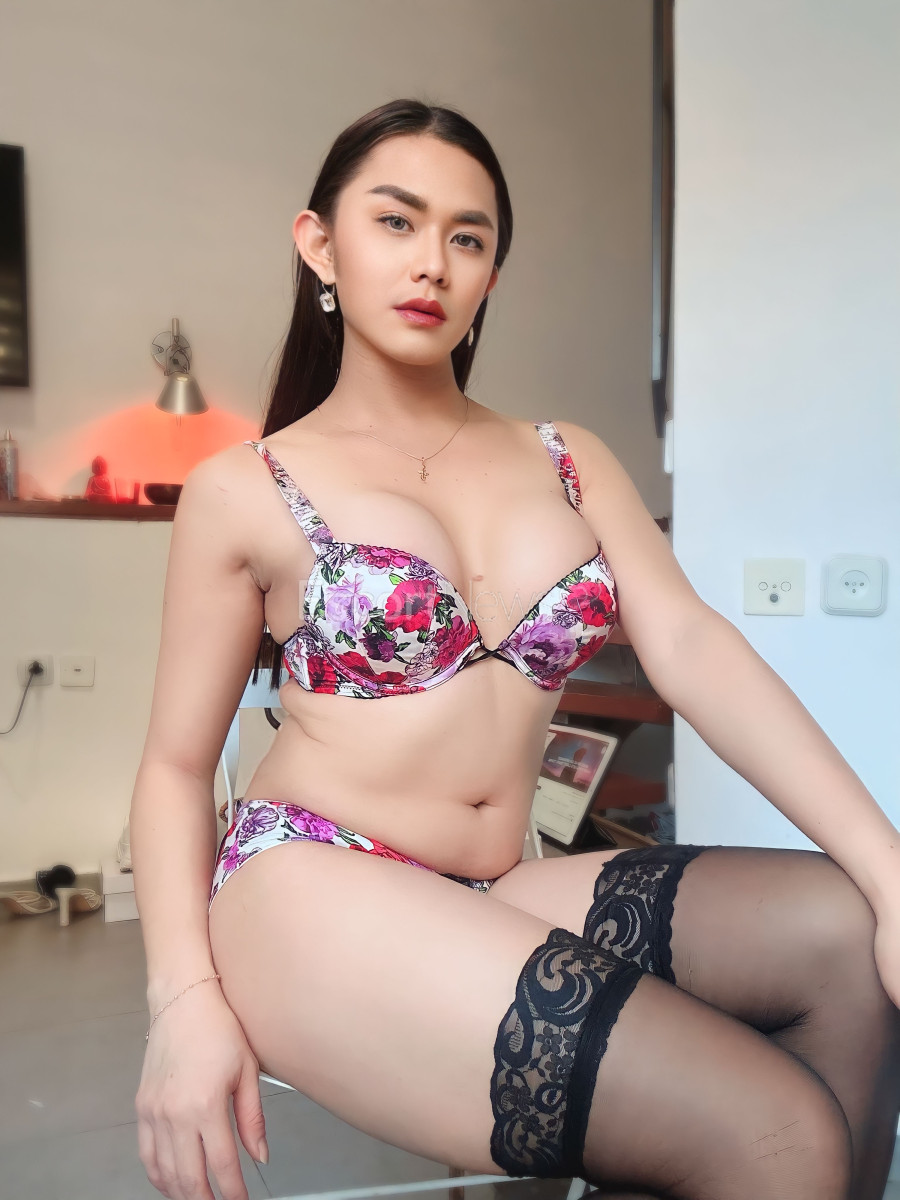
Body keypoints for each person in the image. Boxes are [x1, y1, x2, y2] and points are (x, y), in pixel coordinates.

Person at [130, 98, 900, 1200]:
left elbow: (690, 644)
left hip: (504, 884)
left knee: (849, 933)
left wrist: (889, 864)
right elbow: (172, 768)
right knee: (775, 1131)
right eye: (395, 221)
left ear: (492, 271)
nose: (431, 263)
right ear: (320, 245)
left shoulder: (565, 457)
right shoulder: (245, 487)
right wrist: (182, 1001)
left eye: (468, 236)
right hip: (313, 885)